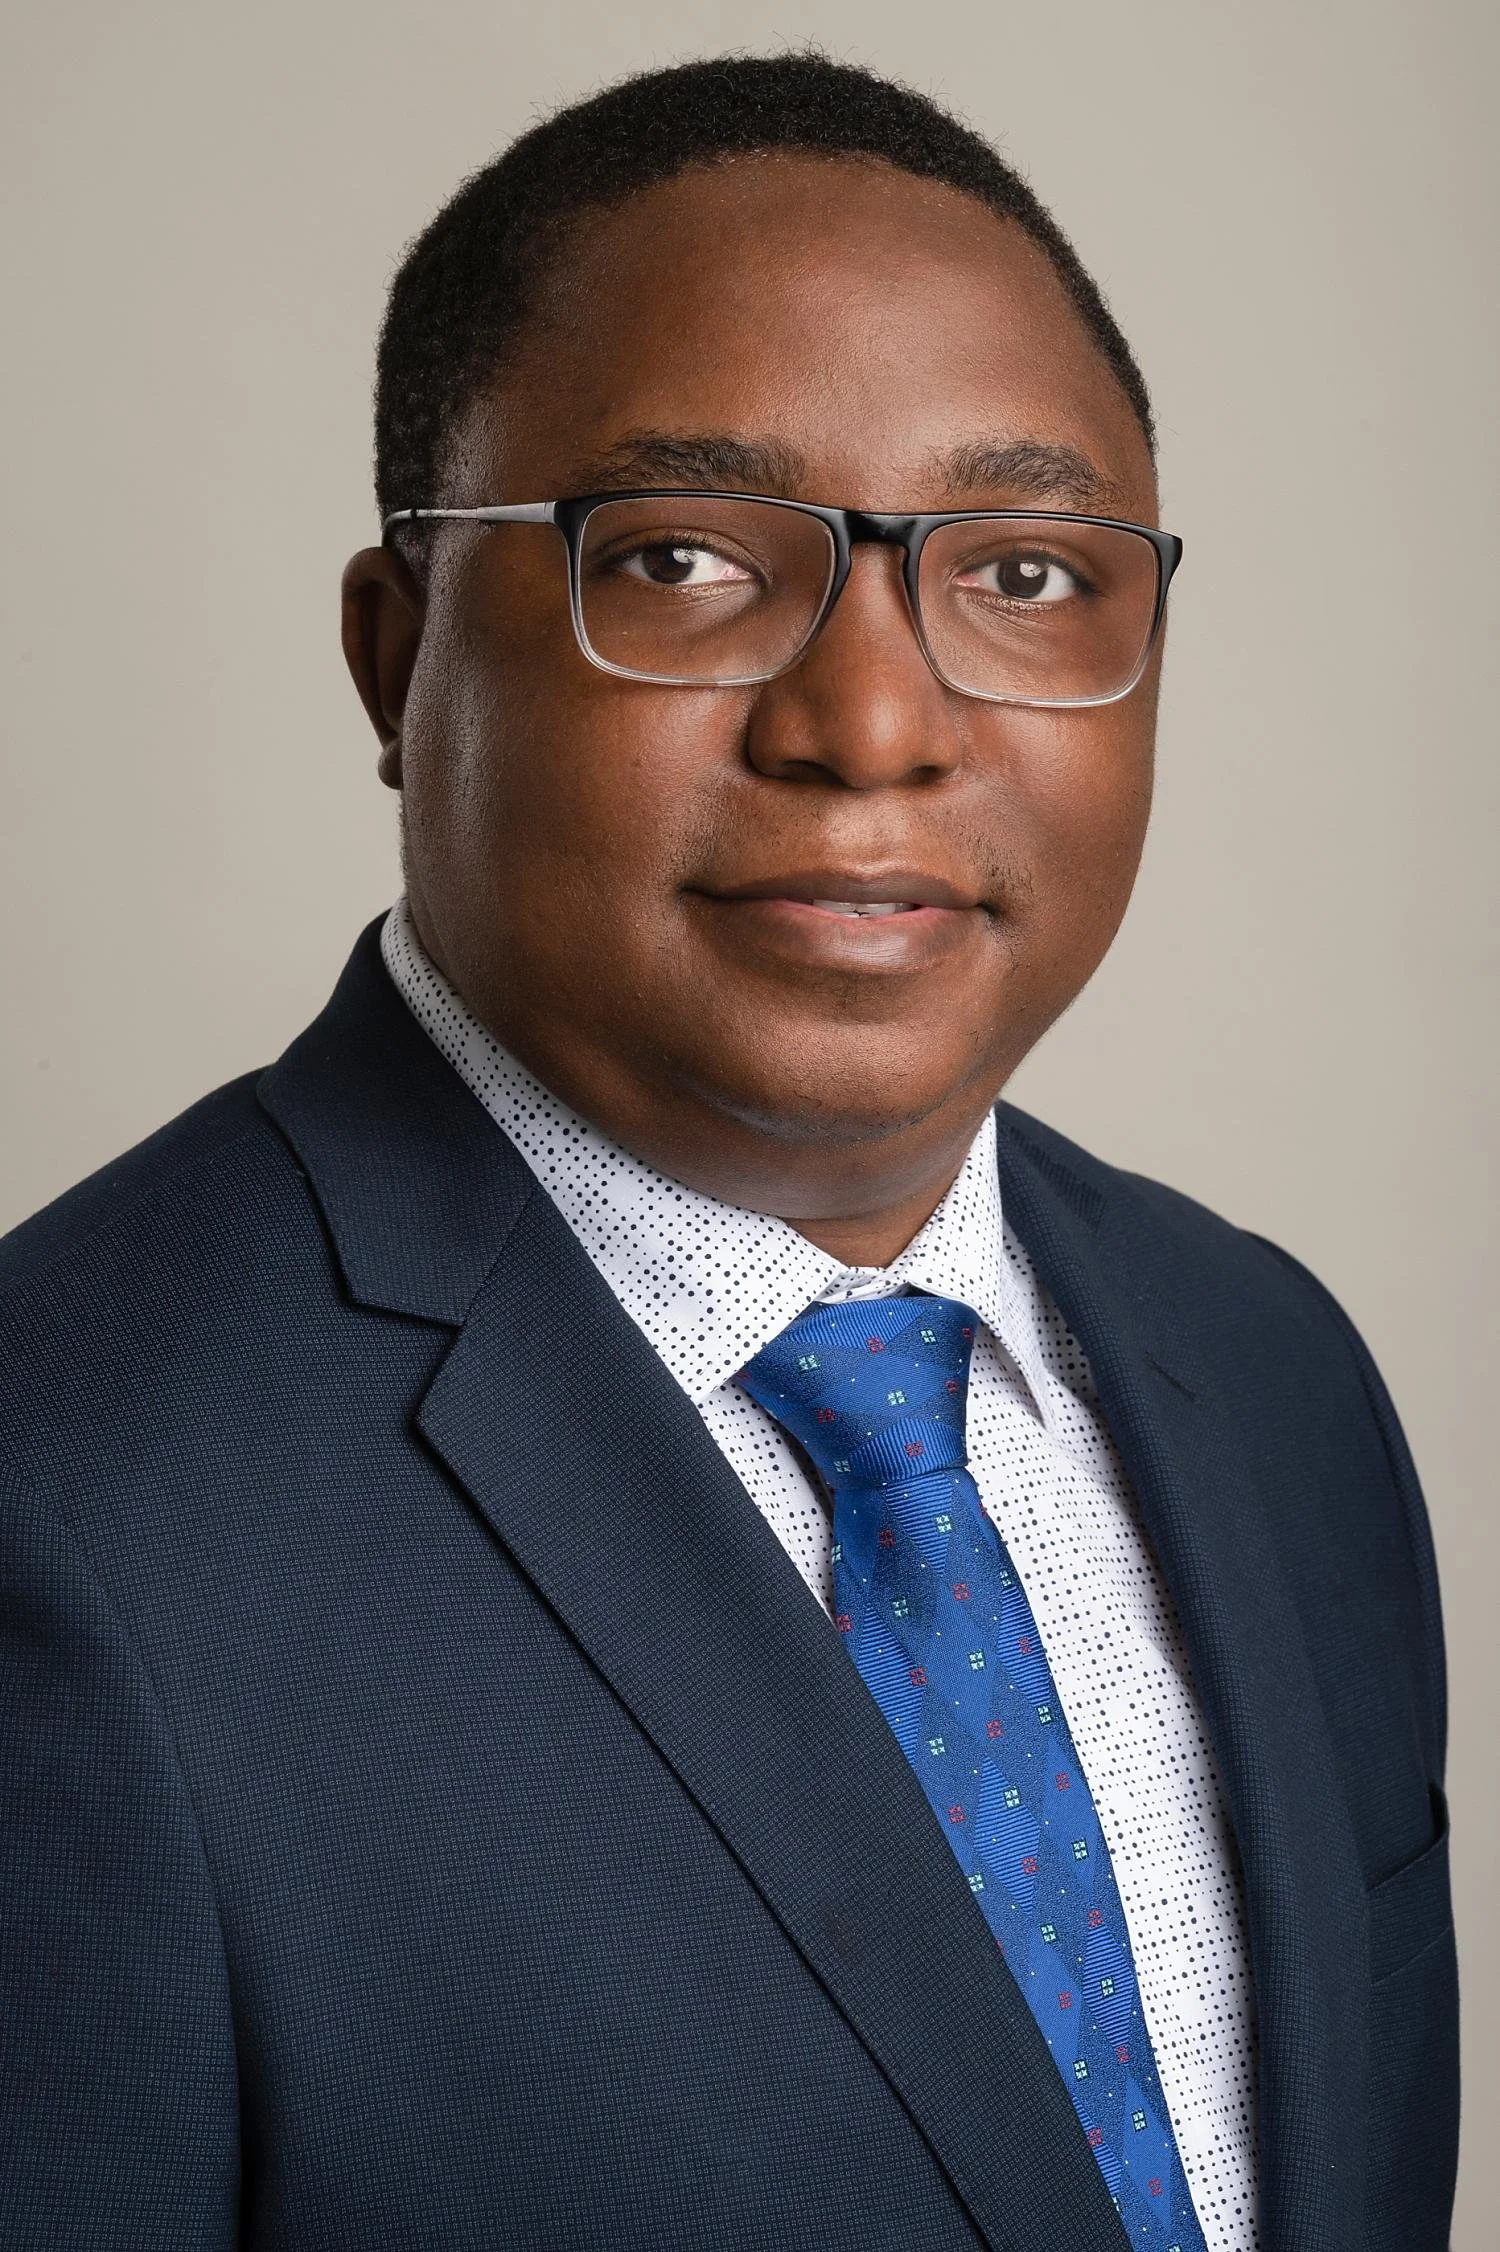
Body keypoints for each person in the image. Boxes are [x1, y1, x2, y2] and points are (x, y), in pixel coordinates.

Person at [0, 52, 1456, 2252]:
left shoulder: (1266, 1375)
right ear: (397, 661)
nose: (874, 724)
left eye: (1031, 575)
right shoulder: (62, 1508)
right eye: (679, 558)